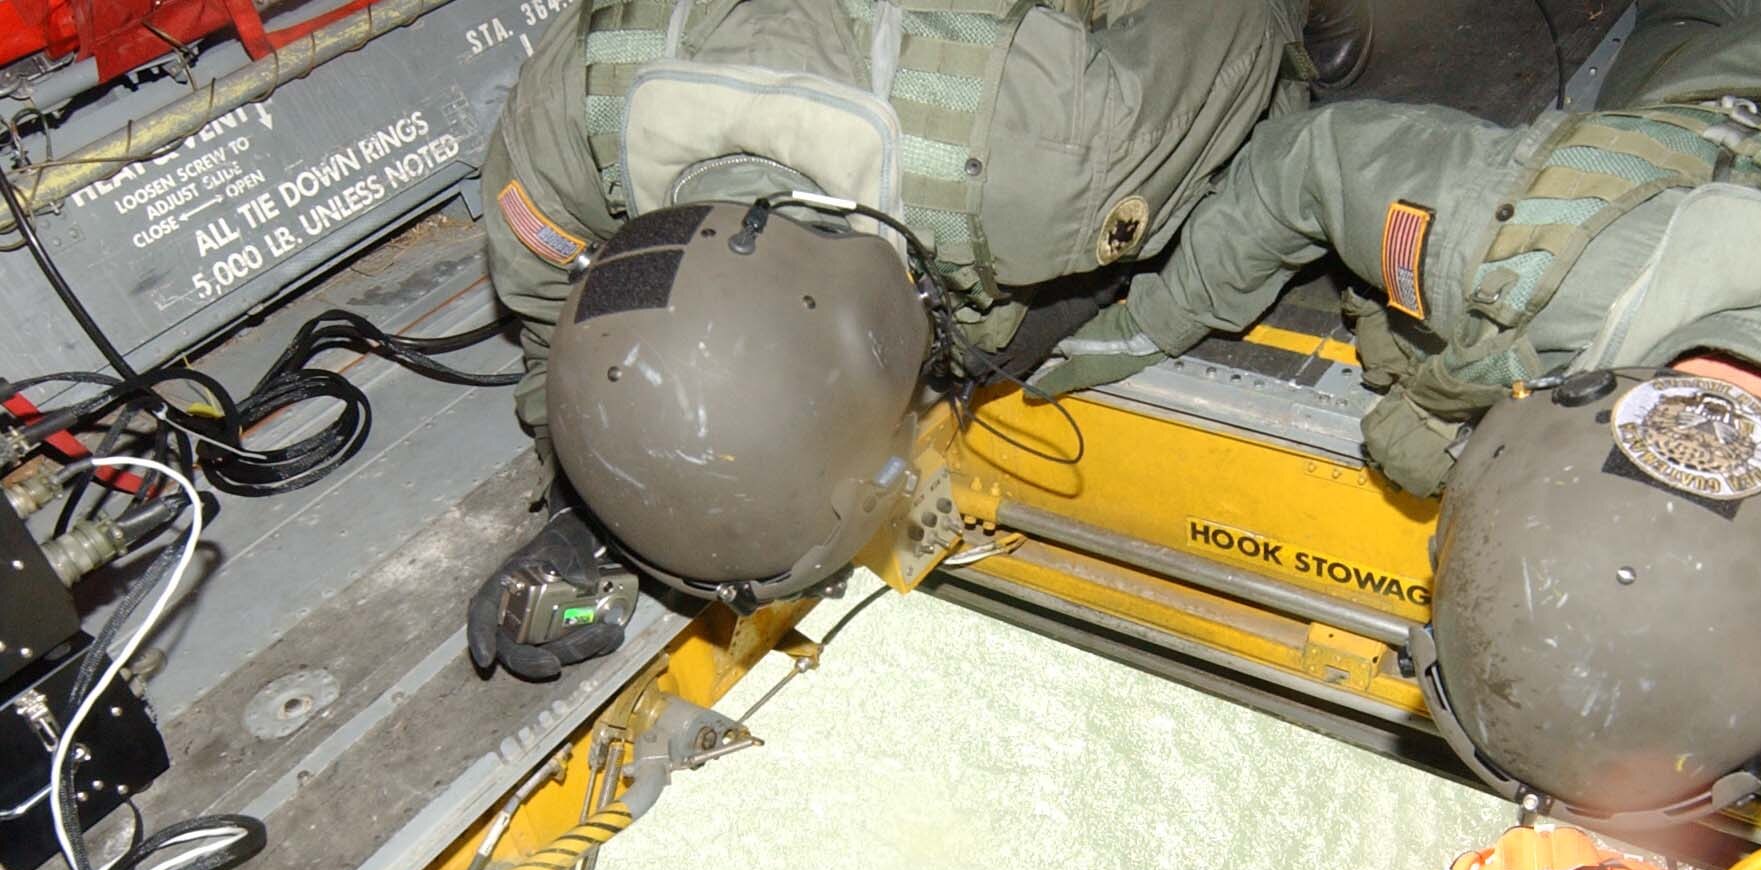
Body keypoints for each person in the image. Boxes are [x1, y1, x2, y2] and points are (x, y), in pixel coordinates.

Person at [1037, 0, 1761, 823]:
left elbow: (1314, 160)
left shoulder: (1536, 258)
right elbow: (1312, 162)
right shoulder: (1515, 250)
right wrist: (1148, 324)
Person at [467, 0, 1378, 680]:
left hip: (1032, 119)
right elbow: (565, 318)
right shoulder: (564, 135)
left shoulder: (1058, 171)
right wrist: (594, 506)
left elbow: (1225, 31)